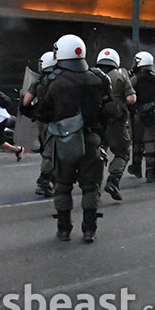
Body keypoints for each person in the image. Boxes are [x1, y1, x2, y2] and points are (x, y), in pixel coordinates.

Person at [36, 34, 115, 243]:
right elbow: (111, 110)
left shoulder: (53, 82)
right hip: (91, 139)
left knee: (62, 185)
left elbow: (42, 112)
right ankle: (89, 229)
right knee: (90, 186)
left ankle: (64, 229)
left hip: (63, 140)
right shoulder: (98, 79)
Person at [95, 48, 136, 201]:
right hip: (116, 123)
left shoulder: (92, 76)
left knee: (98, 155)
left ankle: (94, 189)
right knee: (123, 152)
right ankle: (113, 180)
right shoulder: (120, 76)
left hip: (97, 123)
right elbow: (131, 98)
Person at [21, 51, 56, 197]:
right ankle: (45, 180)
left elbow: (25, 102)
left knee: (46, 148)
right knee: (51, 151)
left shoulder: (38, 82)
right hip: (55, 120)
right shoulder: (58, 80)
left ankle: (50, 178)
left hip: (41, 120)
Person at [129, 51, 155, 183]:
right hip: (152, 113)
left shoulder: (135, 79)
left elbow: (128, 94)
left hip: (137, 114)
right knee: (150, 143)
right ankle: (151, 173)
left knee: (137, 142)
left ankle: (137, 168)